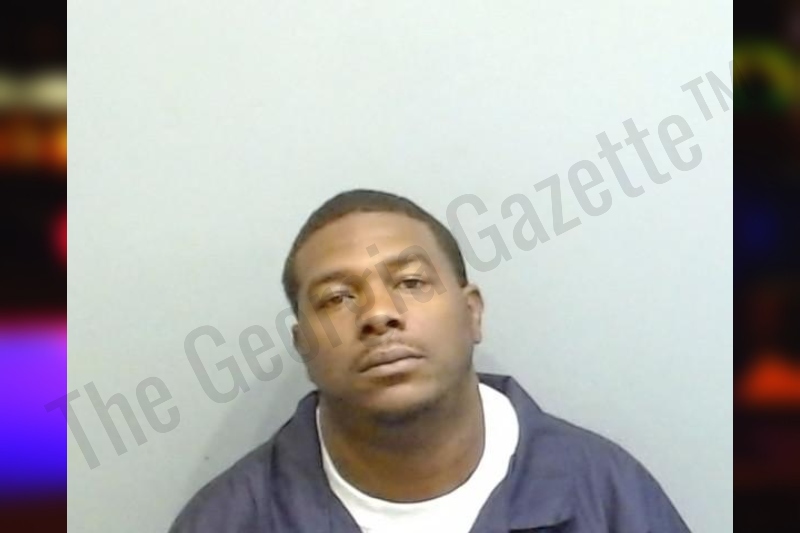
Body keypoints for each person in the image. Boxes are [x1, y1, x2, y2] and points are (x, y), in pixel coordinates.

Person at [169, 189, 691, 532]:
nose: (379, 314)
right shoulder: (228, 520)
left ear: (471, 314)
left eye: (411, 282)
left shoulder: (607, 496)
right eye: (337, 297)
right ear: (303, 344)